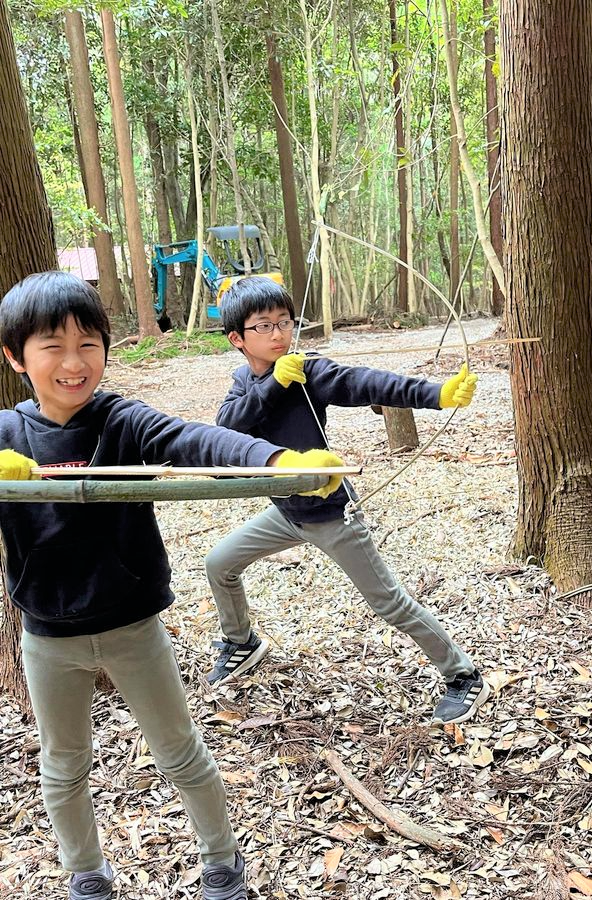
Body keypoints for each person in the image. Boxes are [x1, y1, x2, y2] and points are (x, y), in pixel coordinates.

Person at [0, 271, 343, 900]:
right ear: (16, 357)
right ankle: (86, 873)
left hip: (134, 627)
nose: (74, 363)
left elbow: (195, 440)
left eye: (89, 343)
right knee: (63, 766)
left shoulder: (122, 420)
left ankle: (222, 862)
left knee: (180, 752)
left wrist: (278, 462)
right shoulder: (7, 434)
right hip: (48, 638)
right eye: (52, 346)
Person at [204, 276, 490, 726]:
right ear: (237, 338)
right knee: (219, 562)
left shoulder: (309, 371)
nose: (279, 333)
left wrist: (435, 394)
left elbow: (367, 383)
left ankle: (464, 675)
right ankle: (241, 643)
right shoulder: (246, 380)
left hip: (329, 513)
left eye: (284, 322)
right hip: (286, 511)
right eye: (264, 326)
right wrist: (271, 385)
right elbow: (227, 427)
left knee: (389, 603)